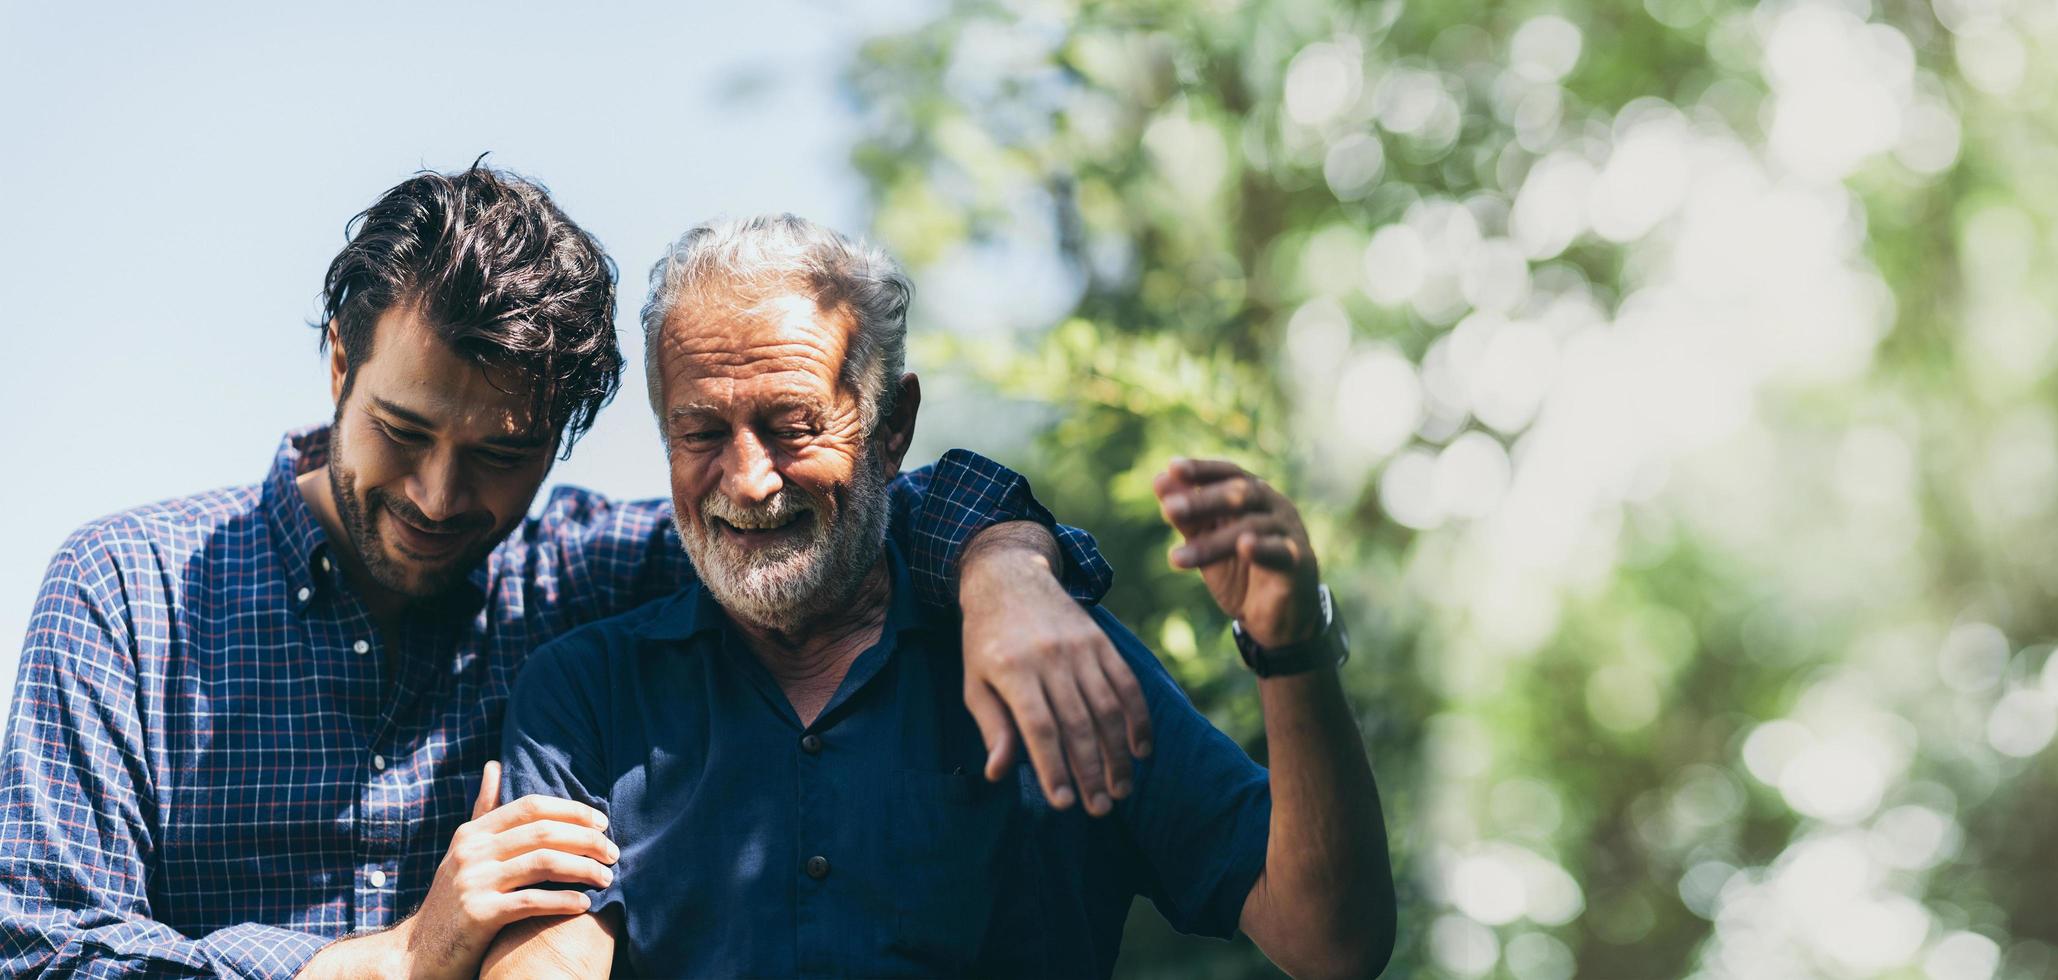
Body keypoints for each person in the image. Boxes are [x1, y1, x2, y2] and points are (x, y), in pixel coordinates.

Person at [0, 164, 1151, 979]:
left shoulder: (588, 578)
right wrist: (397, 960)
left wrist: (1010, 567)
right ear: (339, 361)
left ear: (565, 435)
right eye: (403, 431)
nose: (442, 497)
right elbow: (41, 951)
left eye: (502, 454)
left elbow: (843, 506)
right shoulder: (124, 594)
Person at [483, 214, 1395, 978]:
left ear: (892, 427)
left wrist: (1291, 645)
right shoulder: (585, 693)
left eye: (792, 426)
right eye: (701, 432)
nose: (750, 479)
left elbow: (1331, 939)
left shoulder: (1054, 653)